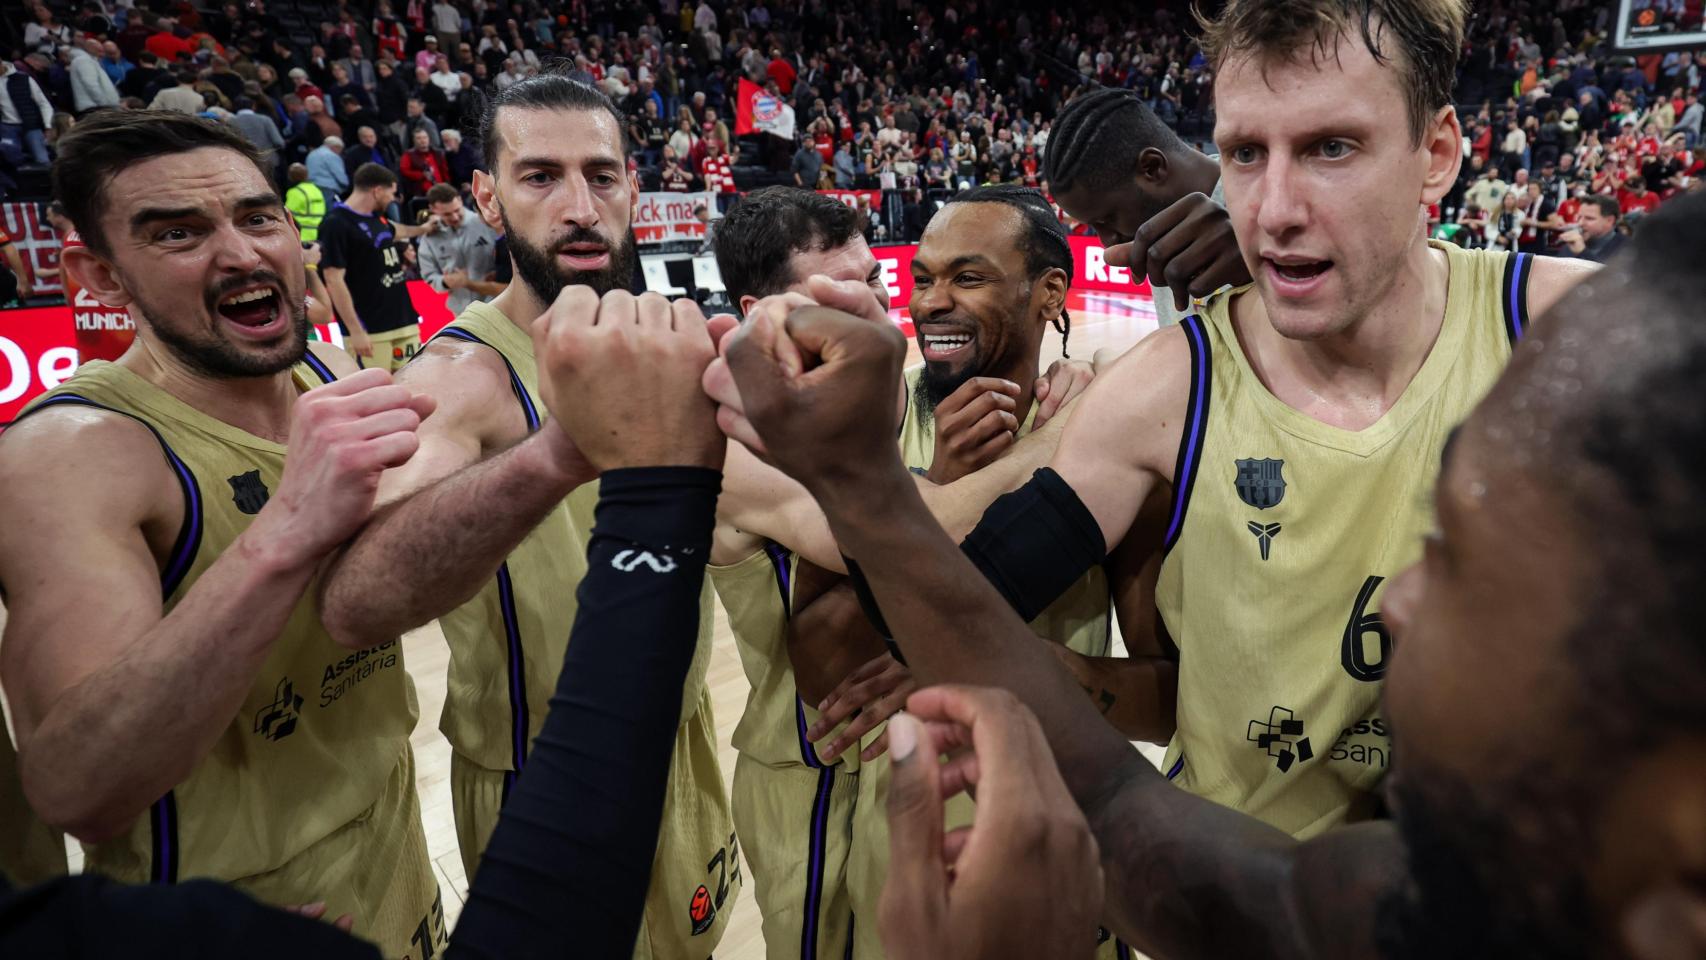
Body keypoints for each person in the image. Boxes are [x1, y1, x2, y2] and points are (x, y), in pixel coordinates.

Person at [723, 176, 1706, 960]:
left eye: (1456, 563)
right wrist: (876, 480)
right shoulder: (1440, 904)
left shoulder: (1119, 420)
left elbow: (1146, 721)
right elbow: (1118, 802)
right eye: (1240, 155)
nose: (1392, 602)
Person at [711, 0, 1597, 845]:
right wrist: (846, 473)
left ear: (1436, 151)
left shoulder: (1577, 331)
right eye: (1245, 154)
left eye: (1331, 147)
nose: (1275, 209)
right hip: (1233, 902)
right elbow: (934, 605)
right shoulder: (1168, 384)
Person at [0, 109, 445, 958]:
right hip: (229, 908)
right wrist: (284, 532)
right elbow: (73, 783)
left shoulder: (317, 367)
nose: (241, 254)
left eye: (257, 216)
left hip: (391, 834)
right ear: (100, 275)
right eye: (178, 233)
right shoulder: (70, 455)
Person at [317, 75, 742, 960]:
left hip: (682, 729)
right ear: (487, 194)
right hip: (548, 770)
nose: (581, 207)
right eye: (541, 176)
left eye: (602, 175)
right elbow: (362, 594)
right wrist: (555, 453)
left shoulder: (667, 330)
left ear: (635, 185)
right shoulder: (460, 377)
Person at [707, 185, 1110, 960]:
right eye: (836, 290)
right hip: (817, 762)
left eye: (873, 281)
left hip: (947, 763)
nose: (885, 307)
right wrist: (1074, 436)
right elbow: (905, 550)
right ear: (760, 311)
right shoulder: (743, 445)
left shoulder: (907, 395)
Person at [1044, 87, 1247, 328]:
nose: (1108, 241)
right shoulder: (1158, 233)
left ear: (1152, 168)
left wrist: (1258, 273)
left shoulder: (1267, 206)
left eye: (1108, 219)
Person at [318, 162, 439, 369]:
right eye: (390, 193)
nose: (392, 199)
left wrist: (423, 229)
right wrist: (355, 330)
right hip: (371, 332)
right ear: (377, 190)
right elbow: (333, 280)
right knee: (376, 395)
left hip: (404, 322)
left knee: (411, 388)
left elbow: (397, 230)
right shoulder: (335, 224)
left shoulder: (378, 219)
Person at [418, 182, 501, 314]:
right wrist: (445, 282)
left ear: (460, 200)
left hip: (496, 304)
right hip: (462, 312)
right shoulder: (429, 238)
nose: (455, 217)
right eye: (447, 214)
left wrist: (499, 272)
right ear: (433, 209)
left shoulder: (485, 222)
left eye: (457, 210)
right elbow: (429, 275)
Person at [1, 57, 55, 166]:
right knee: (11, 160)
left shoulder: (23, 78)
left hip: (31, 125)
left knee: (43, 159)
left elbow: (43, 103)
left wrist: (48, 125)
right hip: (7, 127)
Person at [1560, 194, 1626, 262]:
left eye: (1589, 218)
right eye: (1579, 217)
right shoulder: (1570, 245)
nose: (1580, 223)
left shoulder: (1628, 249)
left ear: (1609, 220)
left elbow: (1610, 272)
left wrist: (1582, 252)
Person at [398, 126, 448, 198]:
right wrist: (422, 175)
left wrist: (447, 185)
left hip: (441, 189)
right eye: (419, 138)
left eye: (425, 137)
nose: (423, 140)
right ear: (414, 140)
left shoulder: (437, 153)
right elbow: (404, 171)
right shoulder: (408, 155)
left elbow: (445, 171)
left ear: (428, 139)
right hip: (421, 193)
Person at [282, 162, 327, 242]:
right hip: (317, 234)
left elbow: (287, 213)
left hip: (301, 234)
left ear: (291, 177)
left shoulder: (295, 192)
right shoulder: (316, 190)